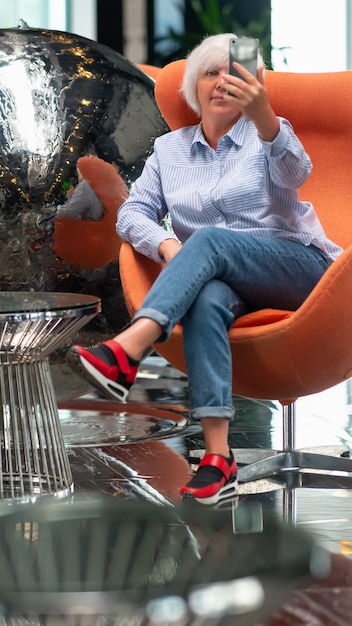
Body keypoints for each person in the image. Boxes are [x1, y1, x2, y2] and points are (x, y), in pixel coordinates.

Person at [67, 33, 343, 505]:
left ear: (251, 85)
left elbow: (296, 173)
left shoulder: (271, 134)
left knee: (211, 242)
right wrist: (170, 247)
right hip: (227, 279)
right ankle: (219, 458)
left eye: (233, 73)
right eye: (210, 73)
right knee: (207, 298)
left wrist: (264, 116)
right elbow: (133, 214)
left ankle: (130, 347)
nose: (221, 82)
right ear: (195, 87)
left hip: (301, 271)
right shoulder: (169, 151)